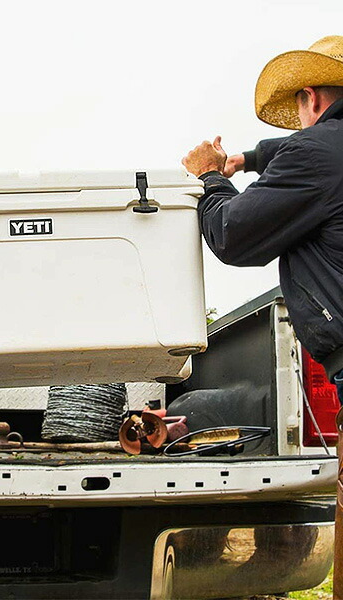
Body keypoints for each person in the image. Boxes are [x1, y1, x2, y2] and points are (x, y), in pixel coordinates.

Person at [181, 35, 343, 598]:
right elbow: (304, 152)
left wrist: (211, 179)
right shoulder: (327, 152)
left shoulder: (318, 154)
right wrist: (249, 159)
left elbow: (233, 234)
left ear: (311, 97)